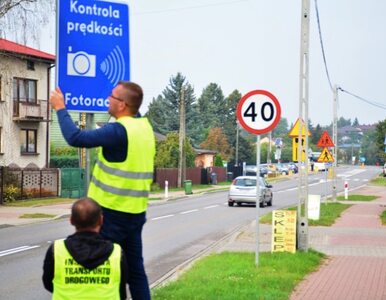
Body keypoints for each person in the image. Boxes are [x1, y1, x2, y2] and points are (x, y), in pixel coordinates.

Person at [49, 81, 156, 300]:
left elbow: (75, 138)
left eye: (112, 96)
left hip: (109, 214)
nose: (108, 99)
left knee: (101, 270)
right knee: (135, 272)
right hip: (135, 213)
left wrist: (60, 108)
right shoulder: (144, 128)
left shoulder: (117, 131)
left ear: (122, 105)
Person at [42, 198, 128, 299]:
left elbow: (47, 283)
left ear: (71, 220)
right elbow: (121, 290)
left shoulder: (56, 249)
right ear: (101, 220)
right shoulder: (117, 252)